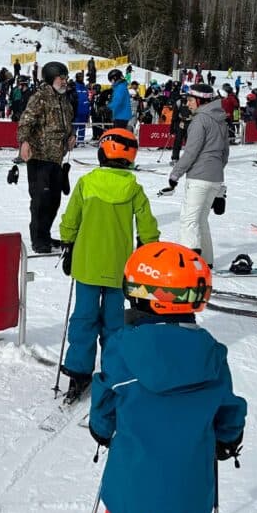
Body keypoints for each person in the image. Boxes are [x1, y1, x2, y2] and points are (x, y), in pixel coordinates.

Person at [88, 241, 246, 513]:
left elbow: (104, 401)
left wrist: (102, 427)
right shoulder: (211, 356)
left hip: (129, 492)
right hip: (185, 500)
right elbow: (228, 410)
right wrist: (228, 438)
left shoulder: (122, 348)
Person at [57, 128, 159, 404]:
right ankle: (114, 370)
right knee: (114, 322)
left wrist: (67, 241)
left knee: (84, 318)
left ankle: (78, 369)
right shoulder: (133, 188)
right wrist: (148, 246)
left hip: (87, 265)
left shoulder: (87, 183)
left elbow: (71, 217)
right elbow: (147, 223)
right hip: (118, 268)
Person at [165, 84, 230, 268]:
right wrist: (216, 175)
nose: (188, 104)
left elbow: (191, 152)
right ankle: (206, 261)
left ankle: (190, 264)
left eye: (191, 100)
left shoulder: (200, 120)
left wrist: (175, 175)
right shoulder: (220, 119)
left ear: (201, 101)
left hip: (199, 177)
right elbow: (225, 153)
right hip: (215, 177)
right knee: (201, 220)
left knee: (189, 220)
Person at [17, 61, 75, 254]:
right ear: (51, 79)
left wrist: (71, 135)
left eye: (66, 78)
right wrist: (24, 142)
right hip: (40, 157)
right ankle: (38, 239)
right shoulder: (40, 97)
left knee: (54, 201)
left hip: (57, 158)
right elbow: (26, 121)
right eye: (61, 78)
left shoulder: (64, 99)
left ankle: (46, 234)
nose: (65, 81)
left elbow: (67, 123)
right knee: (40, 201)